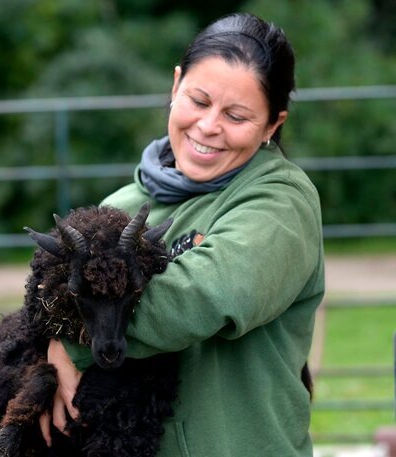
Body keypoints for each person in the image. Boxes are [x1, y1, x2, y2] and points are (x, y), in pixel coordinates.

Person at [42, 12, 325, 457]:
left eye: (236, 115)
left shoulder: (279, 202)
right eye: (198, 100)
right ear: (175, 87)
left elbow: (206, 294)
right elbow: (51, 291)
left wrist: (73, 339)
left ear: (272, 125)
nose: (209, 126)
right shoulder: (119, 205)